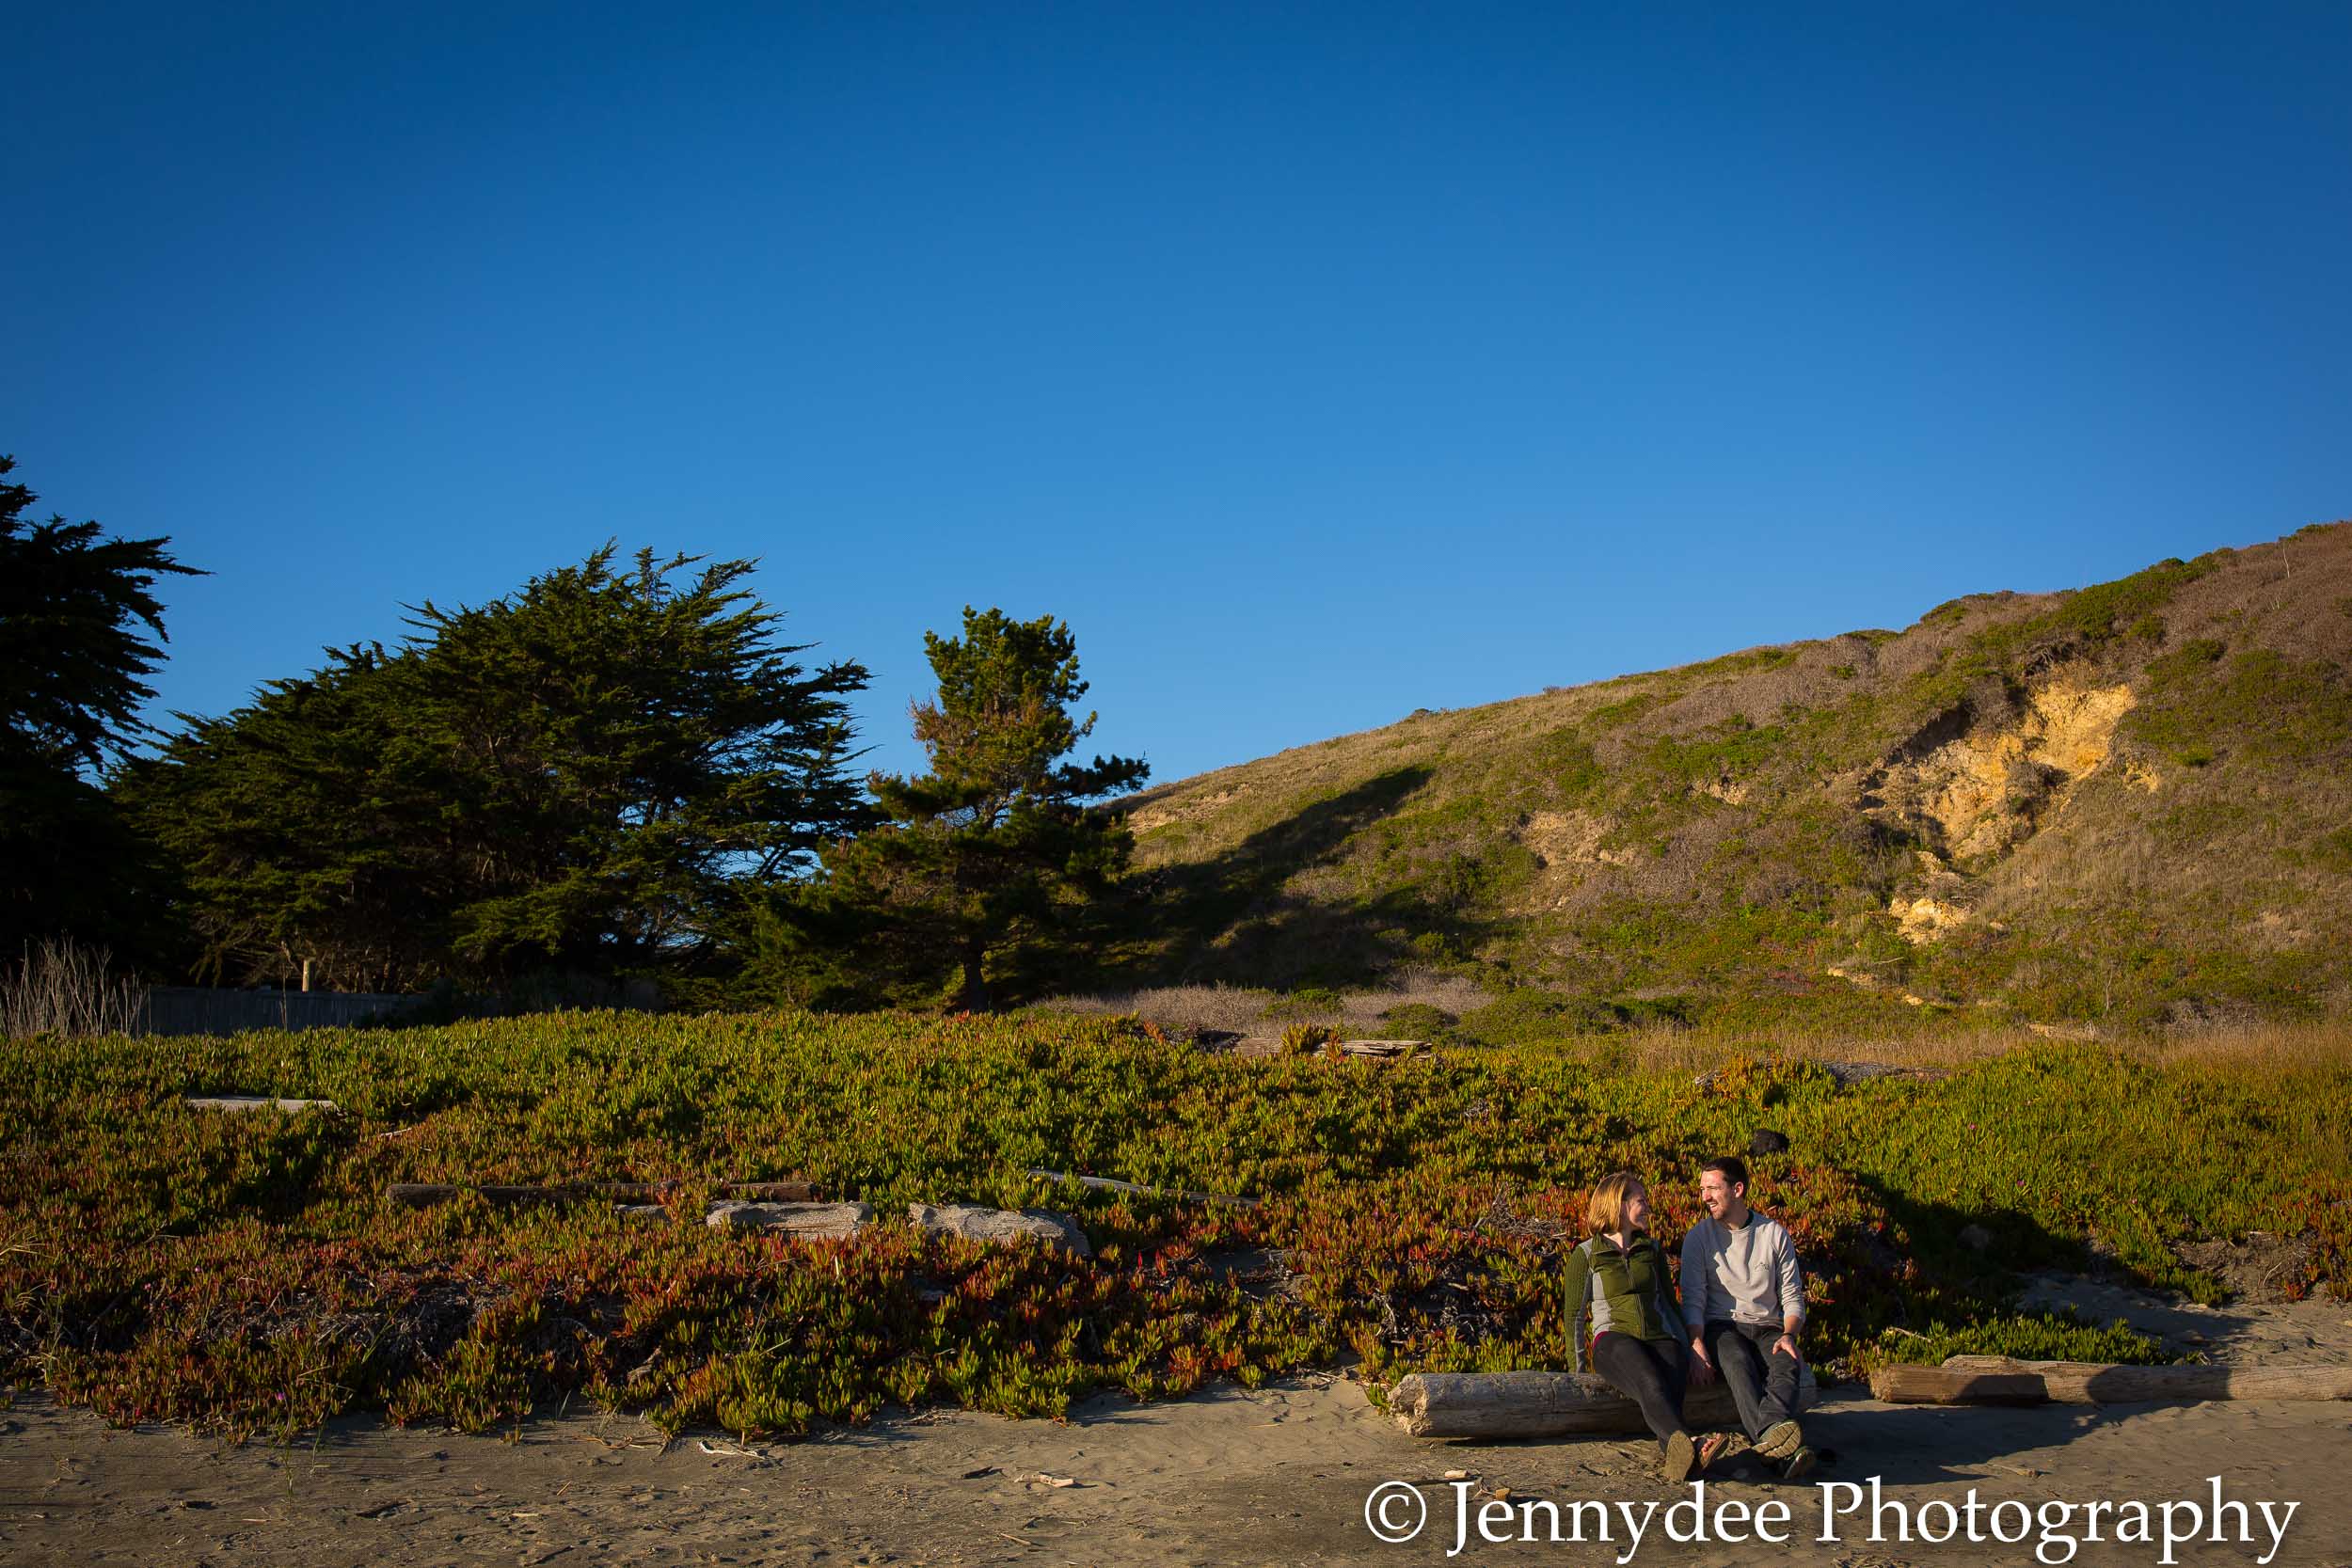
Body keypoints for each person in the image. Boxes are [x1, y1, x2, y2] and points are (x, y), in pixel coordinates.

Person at [1562, 1171, 1724, 1481]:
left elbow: (1669, 1303)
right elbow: (1574, 1316)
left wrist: (1691, 1348)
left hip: (1659, 1335)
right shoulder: (1586, 1254)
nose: (1648, 1207)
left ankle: (1679, 1458)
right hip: (1613, 1339)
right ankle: (1692, 1443)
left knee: (1673, 1373)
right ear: (1619, 1204)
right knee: (1651, 1382)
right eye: (1642, 1200)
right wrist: (1577, 1369)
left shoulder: (1651, 1249)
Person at [1681, 1155, 1815, 1478]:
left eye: (1712, 1188)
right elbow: (1693, 1299)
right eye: (1702, 1189)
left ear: (1737, 1189)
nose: (1705, 1197)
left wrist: (1789, 1334)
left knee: (1787, 1364)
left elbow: (1792, 1296)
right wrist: (1696, 1342)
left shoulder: (1773, 1234)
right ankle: (1782, 1450)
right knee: (1736, 1362)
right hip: (1722, 1326)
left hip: (1768, 1326)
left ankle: (1770, 1441)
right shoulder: (1698, 1238)